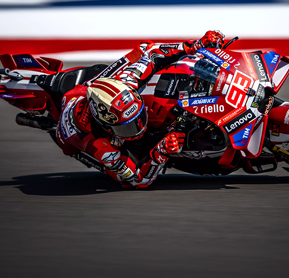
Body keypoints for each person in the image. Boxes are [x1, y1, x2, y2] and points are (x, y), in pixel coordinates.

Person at [55, 30, 225, 188]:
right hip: (76, 134)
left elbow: (153, 54)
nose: (139, 127)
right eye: (127, 127)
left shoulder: (127, 80)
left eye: (138, 117)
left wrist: (195, 44)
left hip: (88, 88)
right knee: (124, 179)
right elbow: (139, 179)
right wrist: (161, 151)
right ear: (106, 126)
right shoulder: (102, 147)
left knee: (144, 48)